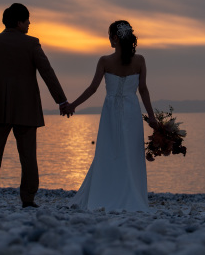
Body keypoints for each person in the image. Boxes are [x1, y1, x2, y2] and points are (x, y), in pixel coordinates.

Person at [0, 3, 69, 208]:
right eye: (27, 20)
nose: (30, 24)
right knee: (28, 155)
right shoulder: (31, 44)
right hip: (26, 108)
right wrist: (61, 100)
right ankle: (28, 199)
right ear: (19, 22)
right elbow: (47, 73)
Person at [66, 20, 158, 211]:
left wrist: (72, 105)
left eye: (109, 36)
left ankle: (105, 193)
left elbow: (92, 89)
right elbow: (143, 90)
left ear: (115, 38)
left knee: (112, 150)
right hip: (132, 110)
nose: (109, 40)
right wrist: (151, 117)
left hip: (111, 112)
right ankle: (130, 195)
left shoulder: (105, 61)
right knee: (128, 152)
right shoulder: (139, 60)